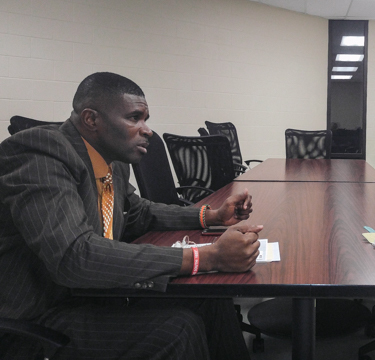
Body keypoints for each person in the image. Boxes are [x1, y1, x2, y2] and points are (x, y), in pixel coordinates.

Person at [0, 72, 263, 359]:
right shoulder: (40, 153)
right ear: (91, 119)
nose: (147, 129)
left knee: (209, 298)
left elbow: (139, 213)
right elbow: (74, 256)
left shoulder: (112, 162)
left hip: (91, 294)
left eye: (146, 119)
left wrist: (210, 217)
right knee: (177, 330)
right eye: (134, 118)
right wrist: (207, 257)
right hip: (38, 318)